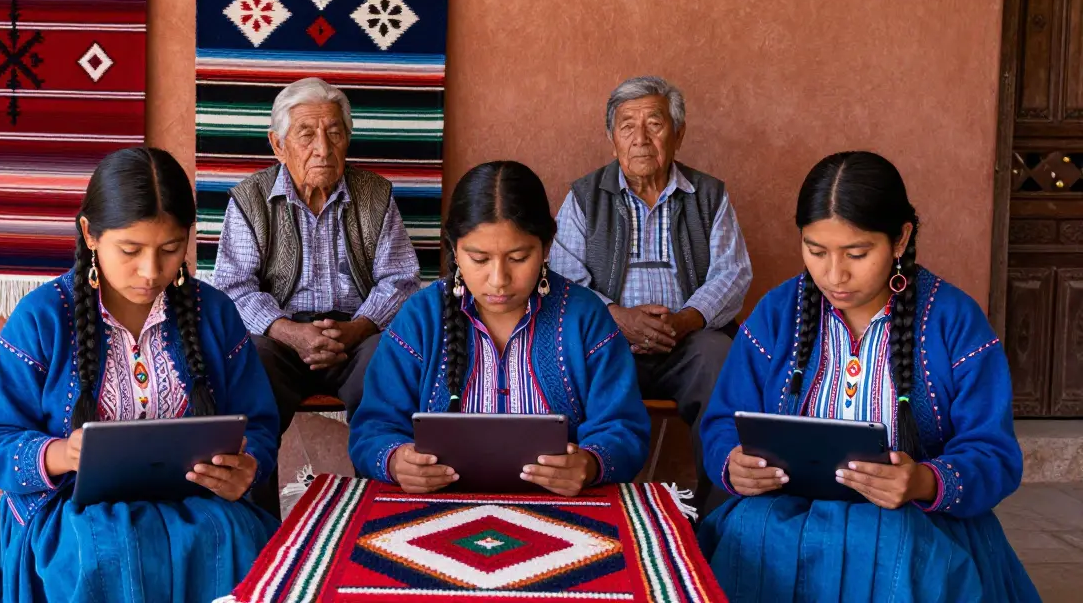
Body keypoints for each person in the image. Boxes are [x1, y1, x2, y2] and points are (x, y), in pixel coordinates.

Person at [698, 151, 1039, 601]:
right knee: (749, 532)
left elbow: (994, 452)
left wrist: (926, 481)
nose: (834, 274)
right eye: (815, 250)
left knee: (890, 547)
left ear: (900, 239)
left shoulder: (954, 322)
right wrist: (734, 465)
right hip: (786, 514)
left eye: (857, 253)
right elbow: (724, 421)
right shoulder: (778, 315)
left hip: (914, 521)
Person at [0, 148, 280, 603]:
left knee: (231, 539)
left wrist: (248, 465)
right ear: (90, 234)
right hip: (73, 509)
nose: (150, 271)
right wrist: (61, 454)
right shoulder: (43, 318)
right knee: (107, 551)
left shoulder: (215, 313)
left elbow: (259, 422)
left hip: (196, 501)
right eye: (130, 250)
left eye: (170, 250)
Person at [349, 161, 650, 494]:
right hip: (436, 515)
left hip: (567, 516)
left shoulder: (584, 317)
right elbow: (373, 427)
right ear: (454, 249)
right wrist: (395, 460)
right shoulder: (422, 318)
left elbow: (624, 427)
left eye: (519, 257)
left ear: (546, 248)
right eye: (479, 259)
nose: (498, 280)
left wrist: (590, 464)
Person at [211, 77, 420, 516]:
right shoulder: (249, 200)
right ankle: (255, 520)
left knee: (390, 362)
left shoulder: (375, 194)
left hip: (358, 332)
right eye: (306, 134)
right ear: (278, 144)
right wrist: (290, 333)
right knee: (250, 369)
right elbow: (234, 287)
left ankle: (380, 516)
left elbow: (399, 279)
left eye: (335, 133)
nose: (323, 148)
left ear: (348, 138)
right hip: (280, 337)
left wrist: (356, 329)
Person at [550, 75, 751, 511]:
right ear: (611, 137)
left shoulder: (709, 195)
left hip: (688, 343)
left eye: (654, 124)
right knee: (564, 361)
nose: (640, 139)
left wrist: (684, 321)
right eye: (626, 126)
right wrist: (620, 318)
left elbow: (732, 274)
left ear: (678, 133)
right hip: (608, 342)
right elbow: (564, 279)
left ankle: (719, 514)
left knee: (720, 359)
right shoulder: (584, 197)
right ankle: (587, 510)